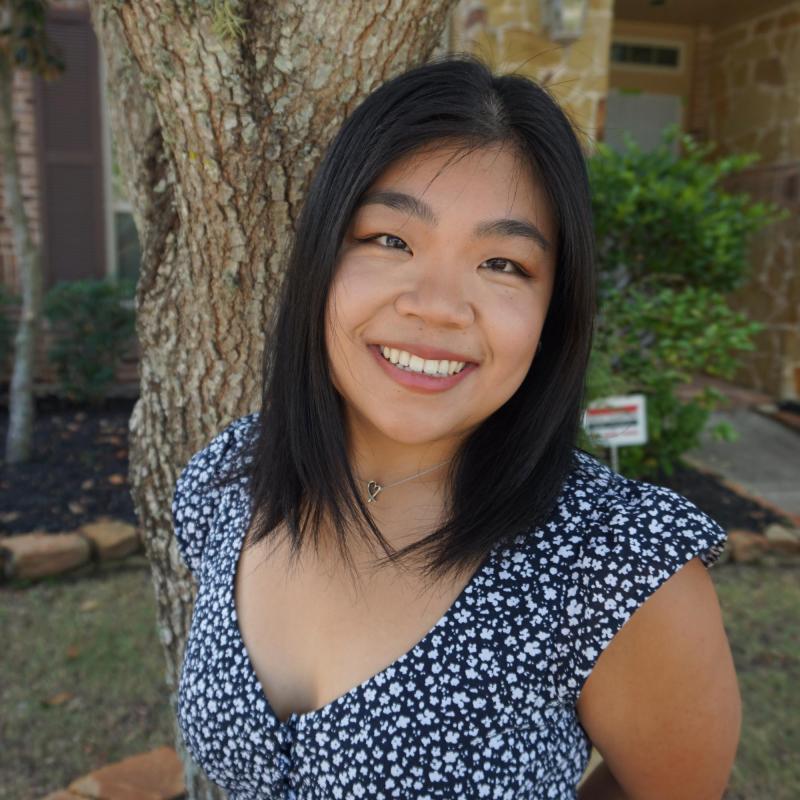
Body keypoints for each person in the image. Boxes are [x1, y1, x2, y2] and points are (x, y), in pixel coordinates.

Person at [171, 54, 741, 799]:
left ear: (552, 312)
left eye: (502, 263)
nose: (437, 306)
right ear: (322, 258)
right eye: (391, 241)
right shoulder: (231, 476)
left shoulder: (619, 569)